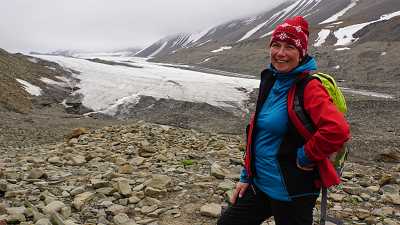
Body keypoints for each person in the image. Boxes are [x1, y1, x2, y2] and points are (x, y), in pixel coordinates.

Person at [217, 16, 350, 225]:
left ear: (301, 53)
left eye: (289, 47)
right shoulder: (270, 79)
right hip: (260, 185)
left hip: (292, 192)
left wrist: (306, 156)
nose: (280, 53)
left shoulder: (309, 87)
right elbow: (257, 133)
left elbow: (337, 130)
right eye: (276, 45)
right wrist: (246, 177)